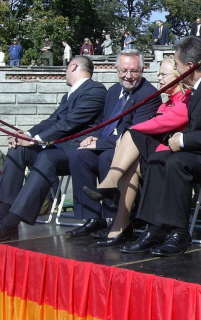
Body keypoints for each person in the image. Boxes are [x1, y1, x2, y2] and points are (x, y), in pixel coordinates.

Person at [119, 36, 201, 256]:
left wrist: (182, 141)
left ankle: (179, 232)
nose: (176, 70)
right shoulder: (200, 87)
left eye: (177, 65)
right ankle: (155, 228)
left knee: (176, 162)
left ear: (190, 67)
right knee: (156, 158)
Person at [83, 59, 191, 246]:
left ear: (179, 76)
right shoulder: (165, 104)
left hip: (175, 156)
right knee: (129, 163)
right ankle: (120, 225)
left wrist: (131, 131)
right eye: (158, 74)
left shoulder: (186, 99)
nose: (159, 79)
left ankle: (111, 191)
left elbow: (164, 123)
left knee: (132, 136)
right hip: (156, 154)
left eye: (163, 75)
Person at [0, 56, 107, 240]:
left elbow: (69, 123)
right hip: (58, 150)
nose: (65, 71)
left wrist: (36, 140)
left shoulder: (95, 90)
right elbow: (52, 120)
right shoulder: (69, 95)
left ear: (73, 66)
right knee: (18, 150)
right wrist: (25, 135)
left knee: (46, 157)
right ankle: (3, 215)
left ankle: (12, 221)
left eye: (67, 67)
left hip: (77, 152)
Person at [62, 49, 161, 238]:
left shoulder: (149, 95)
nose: (128, 76)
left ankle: (116, 218)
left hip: (133, 151)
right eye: (123, 70)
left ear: (142, 70)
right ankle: (91, 218)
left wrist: (99, 145)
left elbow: (135, 134)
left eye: (134, 71)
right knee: (79, 155)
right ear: (116, 69)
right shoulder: (114, 91)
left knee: (107, 157)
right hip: (108, 141)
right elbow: (106, 122)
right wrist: (94, 137)